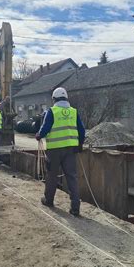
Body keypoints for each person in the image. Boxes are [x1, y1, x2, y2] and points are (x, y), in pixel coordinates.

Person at [35, 87, 85, 216]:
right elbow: (82, 130)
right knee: (72, 177)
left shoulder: (52, 111)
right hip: (71, 150)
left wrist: (39, 135)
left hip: (54, 150)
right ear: (66, 98)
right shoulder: (74, 112)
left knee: (52, 176)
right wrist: (80, 144)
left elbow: (45, 128)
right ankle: (75, 208)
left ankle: (49, 200)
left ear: (54, 99)